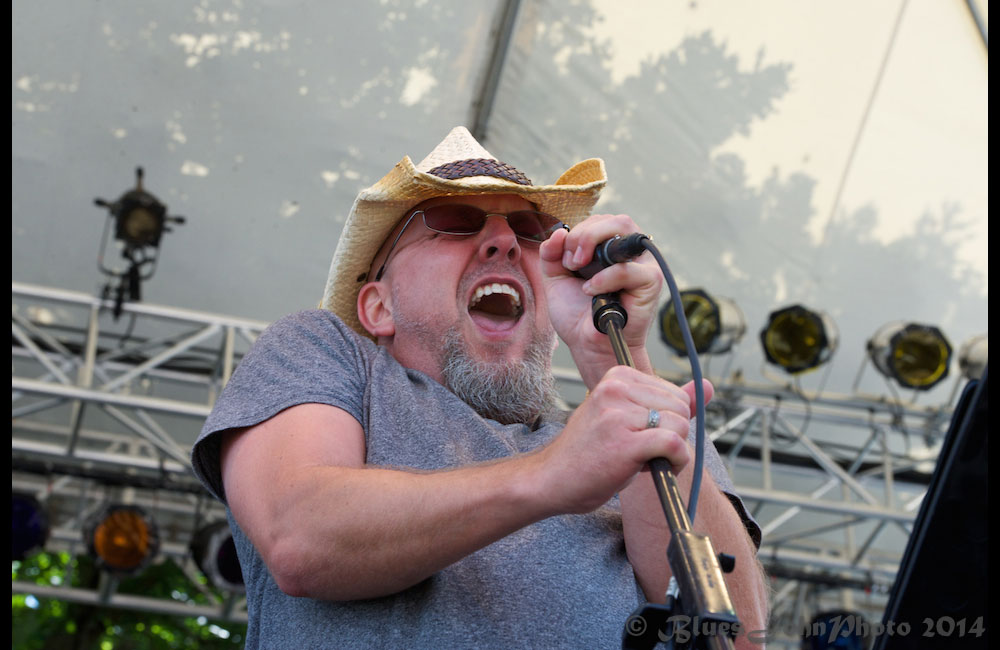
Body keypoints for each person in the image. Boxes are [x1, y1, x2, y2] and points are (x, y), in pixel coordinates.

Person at [191, 126, 768, 648]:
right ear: (378, 304)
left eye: (529, 228)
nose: (505, 243)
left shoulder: (631, 413)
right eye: (457, 221)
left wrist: (613, 358)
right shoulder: (325, 351)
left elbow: (735, 640)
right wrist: (551, 476)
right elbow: (300, 537)